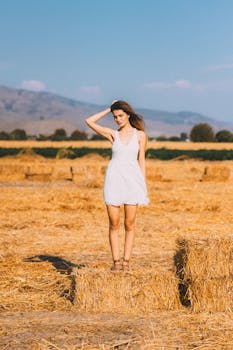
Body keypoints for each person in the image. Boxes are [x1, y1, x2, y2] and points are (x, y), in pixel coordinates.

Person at [85, 100, 149, 273]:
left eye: (120, 115)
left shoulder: (140, 135)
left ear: (128, 115)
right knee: (114, 223)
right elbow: (89, 121)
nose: (117, 119)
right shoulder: (112, 134)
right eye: (115, 117)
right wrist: (109, 108)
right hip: (113, 181)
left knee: (130, 224)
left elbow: (141, 160)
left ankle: (126, 262)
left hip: (132, 183)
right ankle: (116, 262)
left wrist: (143, 185)